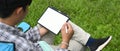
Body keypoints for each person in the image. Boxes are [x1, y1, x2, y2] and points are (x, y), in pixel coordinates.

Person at [0, 0, 112, 51]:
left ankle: (91, 43)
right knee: (78, 44)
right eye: (27, 7)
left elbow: (21, 37)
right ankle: (89, 44)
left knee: (53, 20)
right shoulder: (22, 45)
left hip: (34, 46)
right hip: (36, 48)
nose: (28, 10)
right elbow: (22, 44)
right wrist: (65, 41)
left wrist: (42, 30)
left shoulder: (4, 26)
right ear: (19, 11)